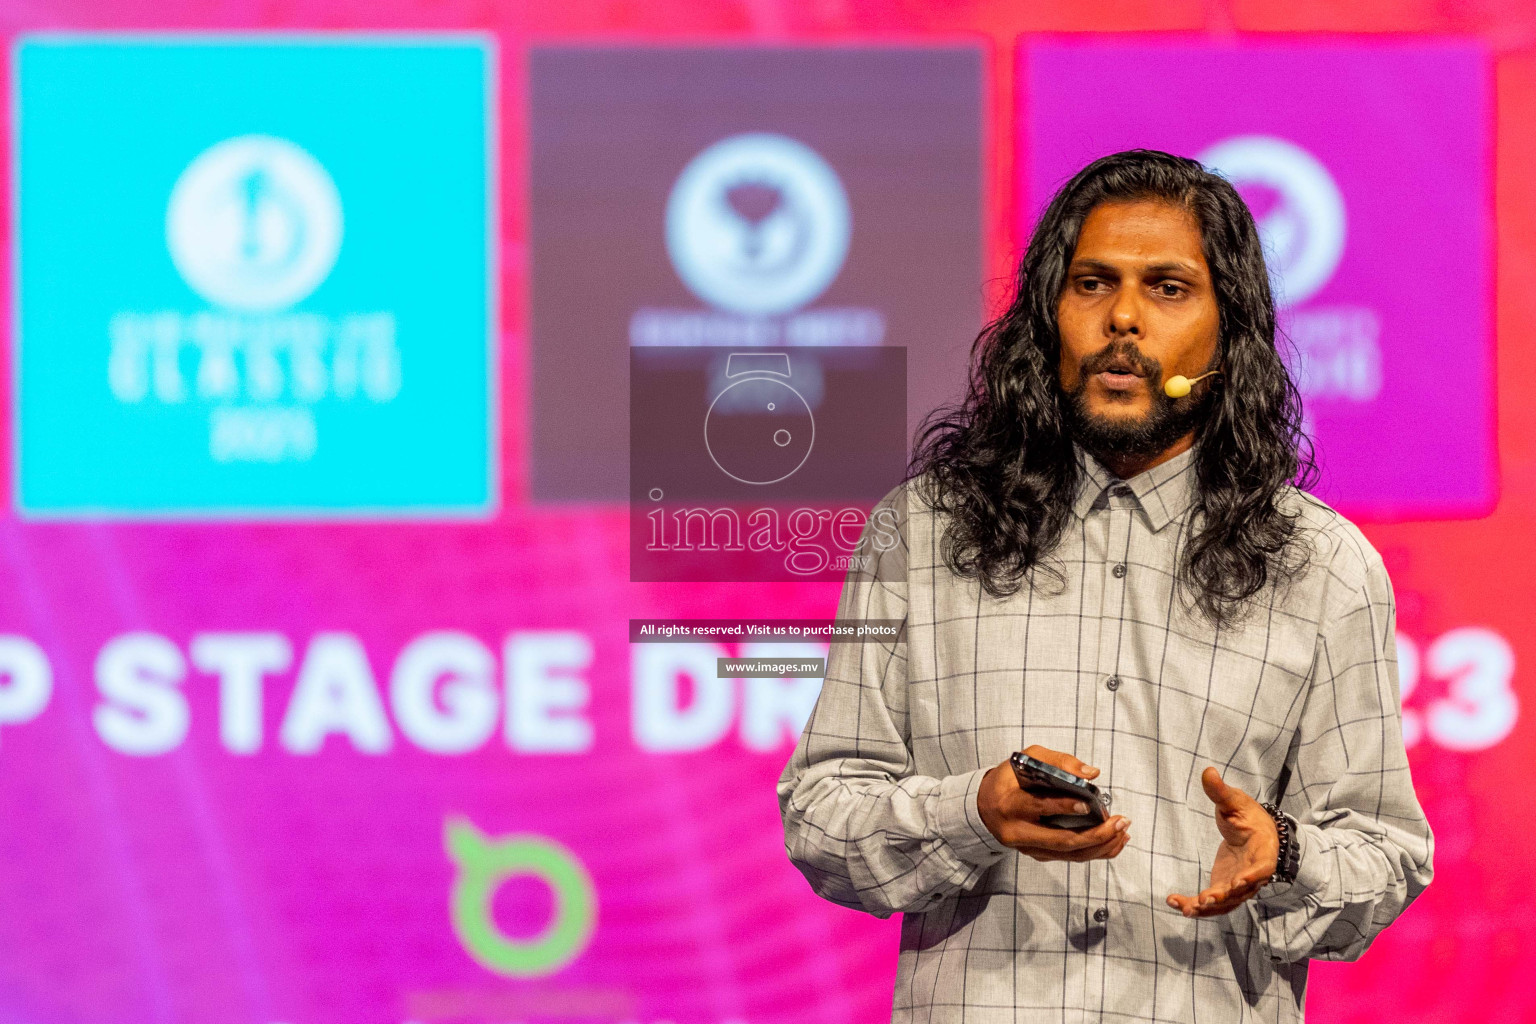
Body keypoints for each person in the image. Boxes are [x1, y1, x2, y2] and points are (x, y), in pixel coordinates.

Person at [777, 149, 1433, 1022]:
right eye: (1092, 284)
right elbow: (821, 819)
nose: (1123, 317)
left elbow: (1387, 855)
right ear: (1048, 324)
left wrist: (1282, 858)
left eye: (1168, 288)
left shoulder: (1322, 566)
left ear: (1228, 338)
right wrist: (969, 811)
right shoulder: (922, 533)